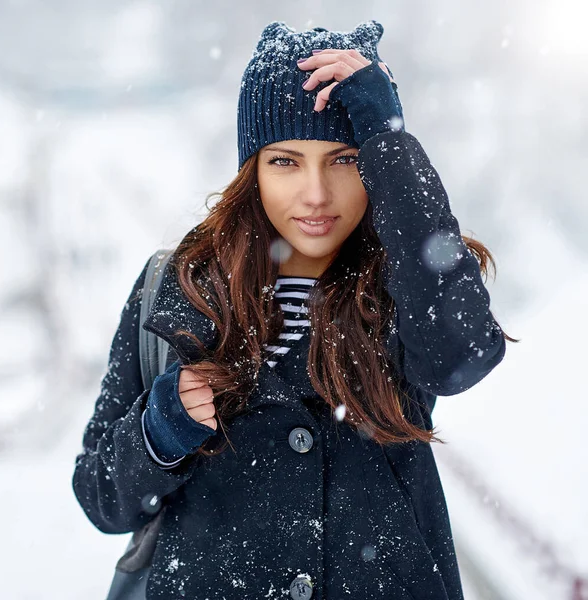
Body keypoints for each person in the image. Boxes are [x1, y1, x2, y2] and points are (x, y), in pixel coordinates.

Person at [72, 19, 518, 600]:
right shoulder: (180, 285)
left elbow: (462, 355)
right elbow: (100, 495)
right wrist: (158, 431)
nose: (314, 193)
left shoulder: (403, 285)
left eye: (344, 159)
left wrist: (389, 141)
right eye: (285, 161)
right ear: (251, 170)